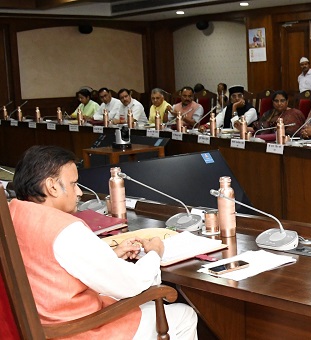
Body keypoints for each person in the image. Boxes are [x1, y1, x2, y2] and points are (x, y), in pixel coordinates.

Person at [9, 145, 197, 339]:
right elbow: (131, 284)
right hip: (77, 330)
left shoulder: (12, 214)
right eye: (73, 184)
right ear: (52, 186)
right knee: (184, 315)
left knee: (147, 306)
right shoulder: (65, 230)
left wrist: (110, 257)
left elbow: (47, 265)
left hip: (39, 325)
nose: (79, 192)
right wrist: (155, 253)